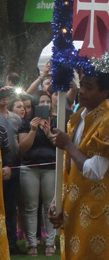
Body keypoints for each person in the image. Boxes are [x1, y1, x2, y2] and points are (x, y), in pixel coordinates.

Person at [48, 72, 109, 260]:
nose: (82, 91)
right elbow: (69, 167)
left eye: (89, 87)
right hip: (73, 207)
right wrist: (57, 200)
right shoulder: (77, 118)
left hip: (99, 212)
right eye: (82, 85)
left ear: (105, 92)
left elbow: (95, 171)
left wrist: (68, 145)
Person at [18, 92, 58, 256]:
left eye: (47, 102)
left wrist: (49, 134)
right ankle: (32, 244)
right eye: (41, 102)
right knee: (31, 207)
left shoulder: (56, 122)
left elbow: (61, 147)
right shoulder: (26, 123)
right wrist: (33, 130)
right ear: (36, 106)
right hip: (29, 168)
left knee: (50, 206)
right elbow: (23, 147)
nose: (45, 105)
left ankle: (50, 243)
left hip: (51, 168)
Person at [0, 87, 20, 254]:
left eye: (6, 95)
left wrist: (8, 166)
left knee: (11, 207)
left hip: (11, 168)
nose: (4, 98)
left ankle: (11, 244)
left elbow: (7, 147)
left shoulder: (15, 118)